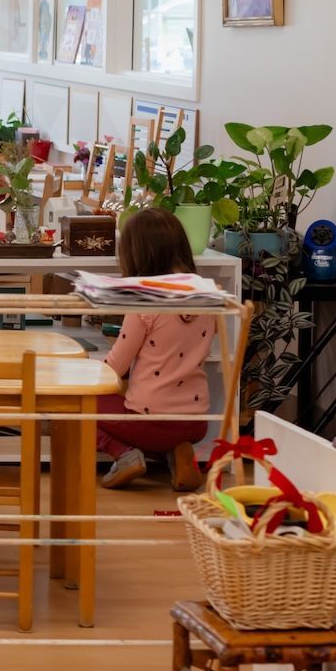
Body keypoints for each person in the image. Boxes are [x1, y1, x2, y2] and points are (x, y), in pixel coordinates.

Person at [97, 208, 214, 491]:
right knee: (145, 416)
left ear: (139, 254)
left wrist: (85, 370)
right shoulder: (207, 293)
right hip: (196, 422)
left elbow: (115, 368)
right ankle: (178, 452)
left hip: (152, 420)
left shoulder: (145, 301)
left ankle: (125, 455)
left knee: (78, 405)